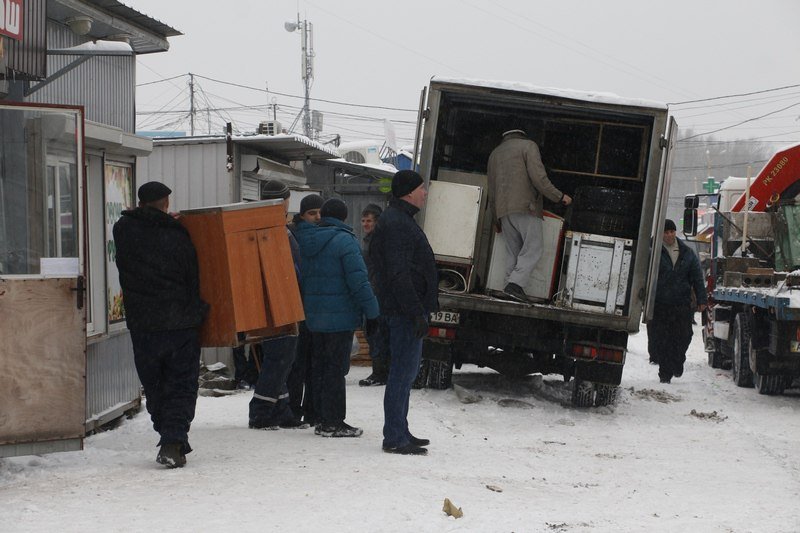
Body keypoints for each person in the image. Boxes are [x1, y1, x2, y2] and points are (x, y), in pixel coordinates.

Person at [113, 181, 208, 468]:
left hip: (144, 322)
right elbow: (192, 274)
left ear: (140, 202)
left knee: (154, 384)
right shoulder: (176, 233)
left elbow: (138, 232)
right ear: (166, 202)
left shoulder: (124, 229)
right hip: (180, 321)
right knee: (181, 383)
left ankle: (170, 436)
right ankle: (173, 439)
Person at [294, 198, 379, 438]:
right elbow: (359, 281)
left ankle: (319, 416)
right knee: (335, 370)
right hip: (339, 318)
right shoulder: (345, 241)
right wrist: (373, 311)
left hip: (314, 316)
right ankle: (333, 421)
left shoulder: (306, 241)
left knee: (319, 367)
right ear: (343, 217)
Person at [369, 170, 438, 456]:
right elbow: (399, 274)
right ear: (409, 192)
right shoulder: (397, 223)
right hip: (404, 312)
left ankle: (400, 429)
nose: (425, 193)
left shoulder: (399, 219)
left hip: (404, 310)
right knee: (402, 373)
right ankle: (395, 436)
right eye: (422, 188)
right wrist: (416, 312)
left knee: (405, 373)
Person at [486, 128, 572, 302]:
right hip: (526, 207)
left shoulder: (495, 153)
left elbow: (492, 188)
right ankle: (515, 285)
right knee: (534, 248)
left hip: (504, 212)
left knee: (513, 252)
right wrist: (559, 196)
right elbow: (539, 178)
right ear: (523, 134)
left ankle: (508, 288)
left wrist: (495, 217)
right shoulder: (528, 146)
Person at [248, 179, 306, 430]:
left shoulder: (271, 226)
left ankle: (281, 411)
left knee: (283, 359)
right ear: (284, 200)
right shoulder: (272, 229)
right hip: (278, 304)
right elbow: (286, 269)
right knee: (279, 359)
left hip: (278, 303)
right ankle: (260, 412)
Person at [647, 219, 707, 384]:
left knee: (684, 335)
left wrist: (702, 299)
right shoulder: (653, 252)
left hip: (682, 304)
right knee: (663, 339)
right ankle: (665, 373)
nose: (669, 235)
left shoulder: (687, 253)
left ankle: (678, 360)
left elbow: (697, 277)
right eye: (666, 232)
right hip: (661, 303)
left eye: (672, 232)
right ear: (661, 234)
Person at [287, 193, 324, 424]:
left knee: (311, 363)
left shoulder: (319, 236)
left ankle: (310, 410)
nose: (317, 217)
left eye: (320, 213)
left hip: (313, 308)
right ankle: (293, 409)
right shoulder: (293, 236)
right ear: (302, 215)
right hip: (298, 307)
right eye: (312, 213)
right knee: (297, 364)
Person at [358, 203, 392, 387]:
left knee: (376, 333)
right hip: (373, 292)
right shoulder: (370, 240)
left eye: (368, 221)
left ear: (377, 222)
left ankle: (380, 373)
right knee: (373, 333)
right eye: (363, 220)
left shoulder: (378, 241)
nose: (365, 224)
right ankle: (381, 371)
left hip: (378, 294)